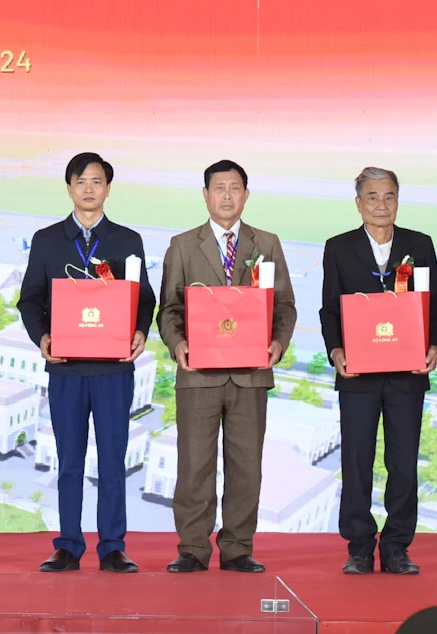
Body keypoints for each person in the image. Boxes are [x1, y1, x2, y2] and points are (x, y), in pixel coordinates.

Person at [155, 159, 296, 574]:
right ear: (205, 195)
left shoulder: (266, 243)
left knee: (246, 464)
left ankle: (237, 547)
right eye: (220, 188)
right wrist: (177, 343)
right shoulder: (183, 245)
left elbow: (284, 305)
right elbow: (169, 308)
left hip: (251, 373)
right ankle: (192, 548)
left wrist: (278, 343)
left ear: (246, 195)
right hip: (198, 373)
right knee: (194, 464)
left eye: (236, 188)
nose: (228, 196)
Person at [16, 151, 154, 573]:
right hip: (66, 368)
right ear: (69, 188)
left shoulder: (128, 240)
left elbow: (143, 296)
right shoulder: (47, 239)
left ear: (108, 188)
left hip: (113, 369)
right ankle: (68, 545)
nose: (89, 188)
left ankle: (113, 546)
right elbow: (30, 299)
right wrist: (42, 337)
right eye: (81, 181)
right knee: (70, 460)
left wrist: (141, 331)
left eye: (97, 181)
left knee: (113, 460)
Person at [317, 167, 437, 576]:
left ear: (397, 200)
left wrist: (435, 346)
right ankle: (358, 546)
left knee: (404, 463)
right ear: (358, 203)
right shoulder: (338, 247)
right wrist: (336, 350)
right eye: (372, 197)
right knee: (356, 462)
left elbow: (435, 305)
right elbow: (329, 309)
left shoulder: (419, 245)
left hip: (407, 373)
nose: (381, 205)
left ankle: (396, 547)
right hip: (358, 373)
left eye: (389, 196)